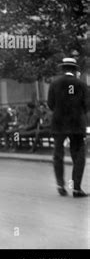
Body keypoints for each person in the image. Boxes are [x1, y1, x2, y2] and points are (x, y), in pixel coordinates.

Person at [47, 58, 88, 198]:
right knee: (78, 155)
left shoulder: (54, 84)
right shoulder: (81, 84)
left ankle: (61, 185)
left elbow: (50, 104)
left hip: (58, 123)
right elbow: (87, 105)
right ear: (75, 70)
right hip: (76, 123)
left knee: (58, 155)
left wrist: (60, 111)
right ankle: (76, 188)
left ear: (63, 69)